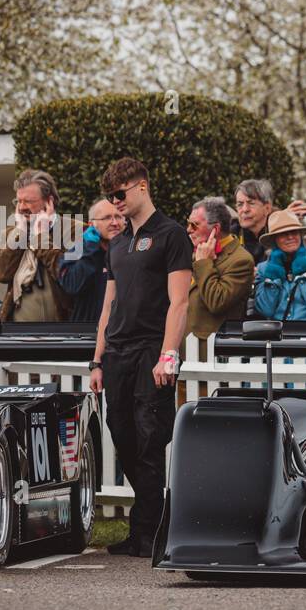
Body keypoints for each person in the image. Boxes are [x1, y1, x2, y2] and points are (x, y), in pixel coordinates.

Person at [89, 158, 192, 558]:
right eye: (110, 197)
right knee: (123, 435)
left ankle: (150, 529)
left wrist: (169, 354)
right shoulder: (116, 243)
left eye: (120, 194)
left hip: (153, 348)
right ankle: (149, 525)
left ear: (142, 186)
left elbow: (179, 301)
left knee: (151, 438)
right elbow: (107, 305)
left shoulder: (171, 235)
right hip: (116, 353)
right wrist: (97, 360)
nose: (115, 203)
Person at [0, 168, 73, 321]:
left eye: (28, 201)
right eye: (18, 201)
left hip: (64, 330)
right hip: (18, 332)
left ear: (49, 201)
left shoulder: (75, 229)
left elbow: (71, 277)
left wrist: (42, 236)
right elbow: (0, 274)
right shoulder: (11, 233)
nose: (21, 207)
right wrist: (20, 233)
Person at [186, 197, 255, 338]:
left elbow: (217, 302)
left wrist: (204, 263)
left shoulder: (241, 260)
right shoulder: (194, 252)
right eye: (188, 224)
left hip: (210, 352)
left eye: (194, 225)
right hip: (184, 348)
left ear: (215, 229)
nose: (188, 230)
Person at [59, 199, 123, 323]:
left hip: (122, 333)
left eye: (118, 217)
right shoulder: (77, 250)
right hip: (86, 332)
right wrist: (90, 249)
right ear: (91, 224)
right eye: (107, 218)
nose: (114, 222)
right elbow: (72, 285)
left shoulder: (131, 251)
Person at [251, 210, 306, 321]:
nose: (290, 237)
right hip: (277, 334)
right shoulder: (263, 269)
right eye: (283, 234)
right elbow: (265, 310)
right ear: (275, 240)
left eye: (294, 232)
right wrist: (274, 275)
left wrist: (304, 271)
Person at [234, 179, 276, 257]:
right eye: (240, 204)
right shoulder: (230, 237)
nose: (245, 210)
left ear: (267, 208)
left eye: (251, 203)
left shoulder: (280, 235)